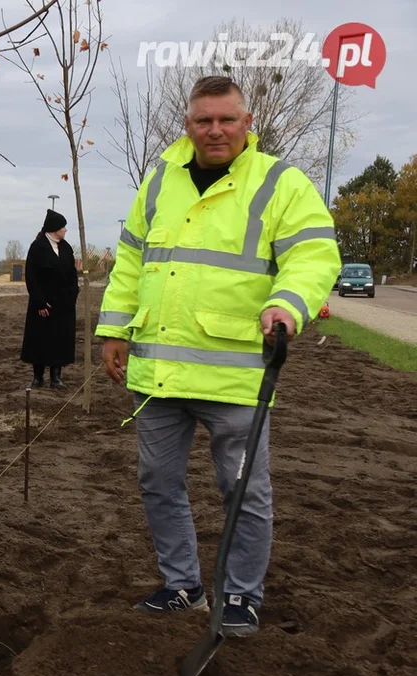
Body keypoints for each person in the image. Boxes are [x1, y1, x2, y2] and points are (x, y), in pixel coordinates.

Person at [96, 75, 341, 635]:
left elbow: (313, 256)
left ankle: (240, 596)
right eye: (204, 121)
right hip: (158, 373)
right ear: (188, 124)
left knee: (243, 490)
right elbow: (132, 258)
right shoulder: (161, 177)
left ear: (247, 122)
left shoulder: (281, 182)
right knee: (157, 480)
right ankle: (183, 585)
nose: (215, 130)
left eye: (227, 119)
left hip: (234, 374)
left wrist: (287, 305)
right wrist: (113, 329)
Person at [19, 209, 78, 388]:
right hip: (43, 304)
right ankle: (38, 377)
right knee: (40, 340)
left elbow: (72, 274)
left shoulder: (66, 248)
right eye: (63, 227)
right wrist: (39, 302)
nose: (65, 230)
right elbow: (31, 276)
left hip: (63, 305)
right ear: (54, 229)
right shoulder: (37, 247)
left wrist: (72, 295)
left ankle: (56, 377)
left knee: (60, 340)